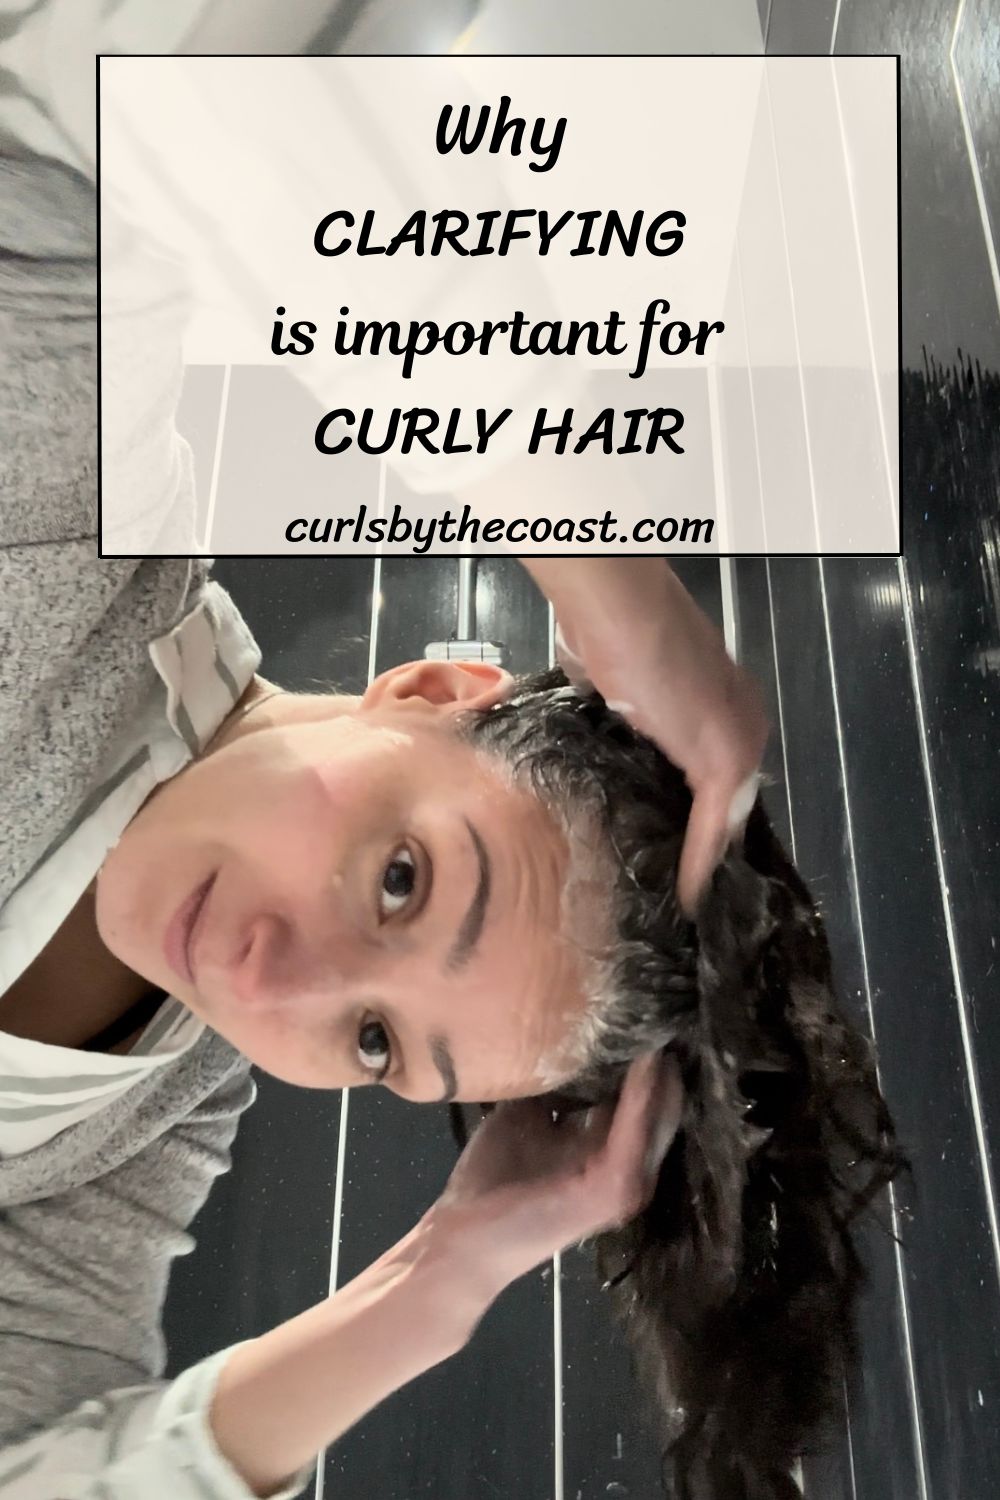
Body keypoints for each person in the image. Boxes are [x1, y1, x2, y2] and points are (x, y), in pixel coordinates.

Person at [0, 15, 770, 1500]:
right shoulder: (64, 518)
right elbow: (124, 63)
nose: (275, 984)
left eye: (373, 1045)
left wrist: (438, 1281)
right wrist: (591, 544)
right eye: (403, 883)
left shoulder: (140, 1121)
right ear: (427, 688)